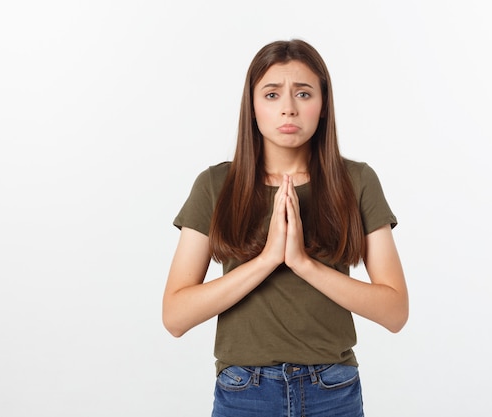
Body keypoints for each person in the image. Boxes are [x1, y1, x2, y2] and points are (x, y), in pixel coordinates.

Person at [162, 39, 408, 417]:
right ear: (253, 106)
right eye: (272, 94)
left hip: (333, 390)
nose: (289, 108)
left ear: (323, 106)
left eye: (304, 93)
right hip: (244, 391)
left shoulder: (356, 181)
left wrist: (303, 263)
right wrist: (266, 260)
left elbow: (395, 312)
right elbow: (175, 316)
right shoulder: (215, 185)